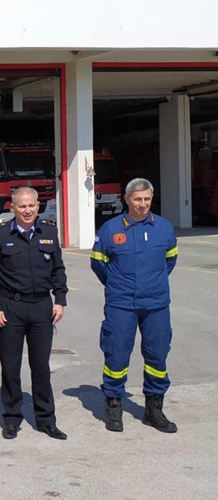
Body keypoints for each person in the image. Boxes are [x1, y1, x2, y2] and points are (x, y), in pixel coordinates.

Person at [91, 178, 179, 434]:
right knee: (116, 353)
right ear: (127, 199)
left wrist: (153, 283)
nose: (142, 204)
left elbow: (170, 260)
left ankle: (154, 409)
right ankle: (114, 405)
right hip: (121, 304)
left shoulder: (163, 227)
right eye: (138, 199)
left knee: (157, 355)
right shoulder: (110, 229)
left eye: (147, 199)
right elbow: (98, 263)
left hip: (156, 304)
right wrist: (118, 284)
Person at [0, 187, 68, 440]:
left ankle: (46, 420)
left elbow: (58, 269)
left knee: (41, 366)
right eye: (22, 206)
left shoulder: (49, 233)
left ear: (38, 206)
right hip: (11, 307)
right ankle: (11, 419)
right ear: (13, 207)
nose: (27, 210)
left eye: (32, 205)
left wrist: (60, 299)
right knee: (11, 366)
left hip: (42, 307)